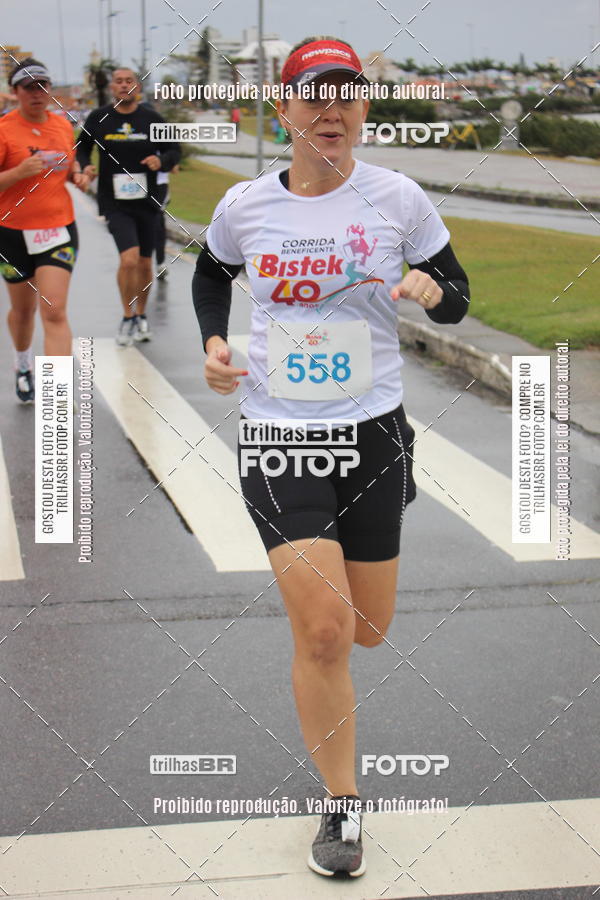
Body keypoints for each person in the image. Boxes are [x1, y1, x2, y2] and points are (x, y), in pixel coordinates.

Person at [192, 36, 470, 878]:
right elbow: (211, 272)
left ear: (363, 110)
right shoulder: (246, 205)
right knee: (324, 632)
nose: (331, 109)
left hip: (375, 436)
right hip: (281, 436)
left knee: (368, 628)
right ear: (284, 110)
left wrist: (431, 291)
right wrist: (212, 340)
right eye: (313, 94)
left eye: (346, 94)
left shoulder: (399, 199)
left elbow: (456, 295)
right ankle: (342, 807)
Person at [0, 58, 89, 403]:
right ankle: (23, 365)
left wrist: (78, 177)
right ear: (15, 93)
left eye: (43, 86)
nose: (37, 94)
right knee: (23, 312)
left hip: (57, 230)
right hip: (12, 232)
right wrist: (17, 173)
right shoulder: (5, 130)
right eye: (28, 88)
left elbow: (64, 169)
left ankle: (57, 394)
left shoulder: (62, 127)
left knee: (54, 311)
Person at [76, 68, 181, 345]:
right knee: (129, 259)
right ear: (112, 87)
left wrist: (163, 162)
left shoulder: (152, 119)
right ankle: (127, 316)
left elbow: (174, 150)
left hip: (147, 200)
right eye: (119, 82)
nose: (124, 86)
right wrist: (86, 165)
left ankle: (142, 314)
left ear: (138, 88)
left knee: (146, 263)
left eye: (129, 82)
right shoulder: (99, 118)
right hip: (115, 202)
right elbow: (82, 147)